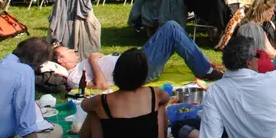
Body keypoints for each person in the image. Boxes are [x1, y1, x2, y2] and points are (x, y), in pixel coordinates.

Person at [58, 49, 169, 138]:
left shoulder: (103, 101)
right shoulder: (154, 93)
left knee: (94, 113)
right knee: (160, 105)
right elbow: (166, 98)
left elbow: (84, 105)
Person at [53, 21, 222, 90]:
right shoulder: (73, 77)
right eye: (68, 50)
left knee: (172, 30)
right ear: (61, 60)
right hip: (137, 71)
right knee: (171, 29)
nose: (73, 50)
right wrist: (93, 61)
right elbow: (101, 86)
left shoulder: (78, 67)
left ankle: (204, 64)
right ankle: (205, 70)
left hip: (134, 60)